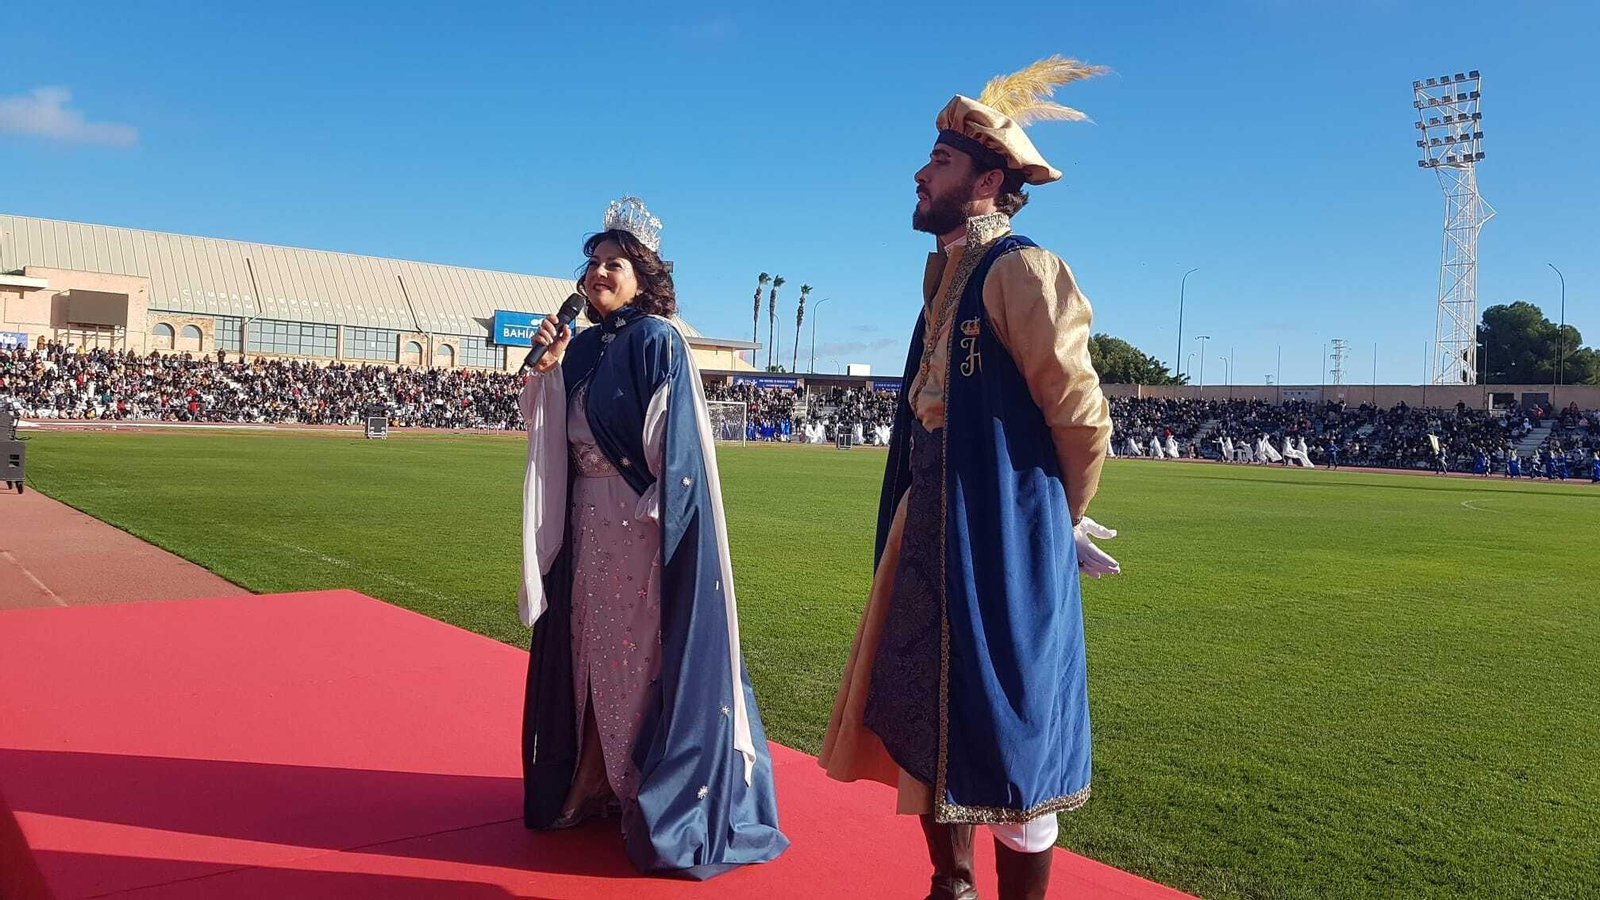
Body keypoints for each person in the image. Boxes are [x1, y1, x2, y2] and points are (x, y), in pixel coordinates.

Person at [819, 57, 1119, 900]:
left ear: (988, 179)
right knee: (924, 706)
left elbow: (1083, 418)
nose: (920, 172)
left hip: (999, 539)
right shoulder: (941, 275)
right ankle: (949, 886)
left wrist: (1050, 520)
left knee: (1014, 724)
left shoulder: (1024, 270)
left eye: (940, 162)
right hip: (929, 529)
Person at [516, 198, 788, 877]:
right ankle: (591, 774)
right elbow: (545, 424)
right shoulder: (578, 346)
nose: (600, 273)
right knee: (586, 649)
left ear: (643, 277)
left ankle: (635, 784)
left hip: (635, 521)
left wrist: (658, 517)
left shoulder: (657, 340)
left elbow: (677, 443)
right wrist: (544, 369)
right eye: (594, 263)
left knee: (635, 657)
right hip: (586, 516)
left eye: (616, 264)